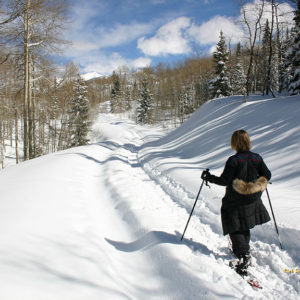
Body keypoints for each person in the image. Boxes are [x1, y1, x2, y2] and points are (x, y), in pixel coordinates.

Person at [201, 129, 271, 275]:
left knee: (235, 224)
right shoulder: (257, 158)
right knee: (245, 222)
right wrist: (257, 183)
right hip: (253, 197)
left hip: (235, 199)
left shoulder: (234, 160)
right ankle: (243, 248)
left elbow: (225, 180)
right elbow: (267, 174)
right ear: (248, 141)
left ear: (234, 143)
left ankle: (243, 255)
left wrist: (209, 177)